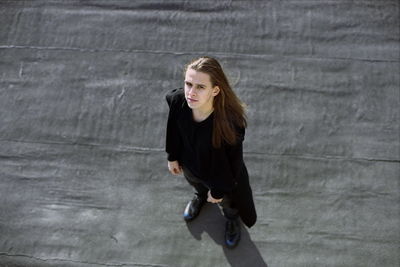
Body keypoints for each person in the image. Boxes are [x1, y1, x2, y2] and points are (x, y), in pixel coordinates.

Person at [165, 56, 257, 249]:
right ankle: (200, 196)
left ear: (215, 90)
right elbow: (172, 129)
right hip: (190, 164)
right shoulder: (178, 101)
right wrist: (172, 156)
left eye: (200, 87)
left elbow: (233, 164)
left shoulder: (230, 125)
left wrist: (218, 190)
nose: (191, 92)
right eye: (188, 84)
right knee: (197, 185)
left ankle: (232, 220)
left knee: (227, 204)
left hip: (219, 177)